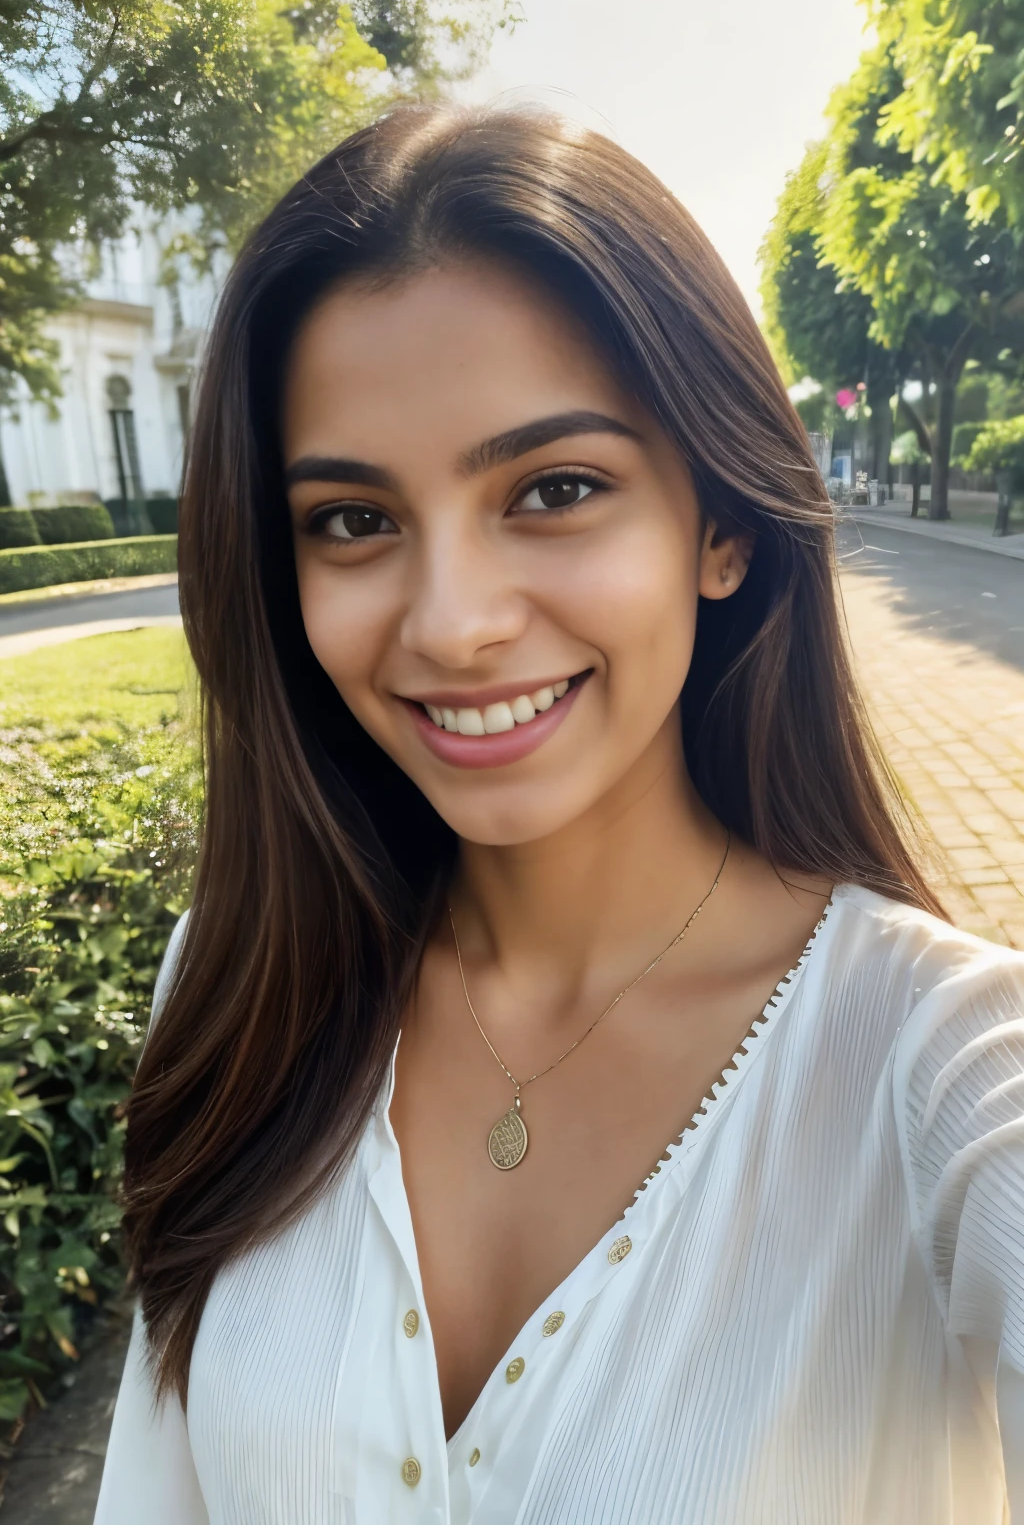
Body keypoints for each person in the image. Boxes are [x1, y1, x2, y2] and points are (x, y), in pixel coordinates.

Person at [94, 104, 1024, 1525]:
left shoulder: (950, 1079)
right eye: (353, 519)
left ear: (720, 529)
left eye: (557, 489)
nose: (454, 625)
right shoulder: (233, 987)